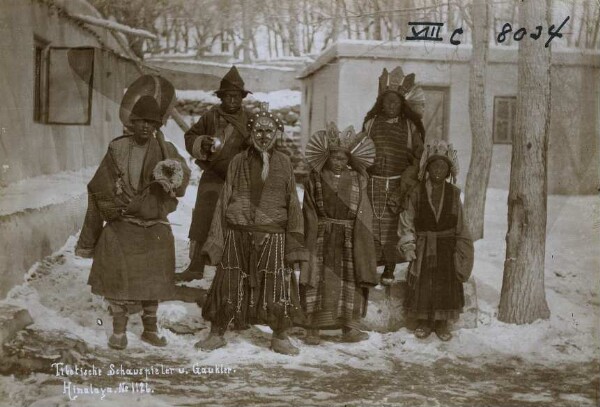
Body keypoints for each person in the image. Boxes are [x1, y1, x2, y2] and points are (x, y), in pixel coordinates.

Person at [75, 95, 191, 350]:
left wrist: (171, 177)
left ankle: (150, 329)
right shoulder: (118, 148)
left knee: (154, 279)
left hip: (154, 225)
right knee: (118, 278)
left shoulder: (165, 149)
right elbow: (98, 186)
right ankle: (119, 331)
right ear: (132, 122)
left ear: (156, 126)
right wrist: (115, 208)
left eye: (151, 123)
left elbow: (182, 180)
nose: (145, 127)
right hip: (124, 221)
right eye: (140, 122)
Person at [195, 103, 307, 355]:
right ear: (251, 133)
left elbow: (293, 202)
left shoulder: (284, 162)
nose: (263, 136)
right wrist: (217, 237)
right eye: (258, 130)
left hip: (273, 233)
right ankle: (216, 333)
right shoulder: (237, 161)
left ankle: (280, 335)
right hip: (238, 230)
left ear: (277, 135)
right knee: (228, 280)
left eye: (269, 131)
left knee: (277, 283)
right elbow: (225, 198)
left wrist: (294, 242)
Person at [300, 123, 378, 345]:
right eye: (335, 157)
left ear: (349, 160)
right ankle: (313, 328)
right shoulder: (315, 178)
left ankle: (350, 327)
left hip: (348, 238)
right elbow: (309, 210)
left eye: (343, 158)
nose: (339, 162)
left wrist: (361, 238)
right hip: (322, 235)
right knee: (317, 278)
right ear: (327, 157)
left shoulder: (357, 180)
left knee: (349, 280)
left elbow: (364, 211)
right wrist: (310, 237)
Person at [397, 140, 474, 341]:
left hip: (447, 247)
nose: (438, 170)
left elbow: (461, 224)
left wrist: (462, 251)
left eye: (443, 166)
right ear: (427, 168)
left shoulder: (454, 193)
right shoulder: (416, 191)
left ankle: (441, 323)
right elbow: (407, 218)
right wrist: (408, 244)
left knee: (445, 284)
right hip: (423, 247)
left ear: (449, 171)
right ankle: (423, 321)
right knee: (424, 284)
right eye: (434, 165)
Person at [180, 66, 251, 282]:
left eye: (236, 96)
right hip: (213, 176)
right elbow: (190, 136)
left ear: (242, 98)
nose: (232, 100)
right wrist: (203, 143)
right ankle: (196, 266)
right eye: (228, 96)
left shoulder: (250, 120)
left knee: (234, 221)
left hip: (239, 180)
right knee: (203, 218)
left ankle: (231, 267)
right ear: (221, 97)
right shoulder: (211, 117)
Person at [362, 67, 426, 285]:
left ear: (402, 104)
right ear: (381, 103)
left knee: (391, 226)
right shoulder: (370, 124)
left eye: (396, 102)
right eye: (387, 102)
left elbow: (418, 159)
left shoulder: (409, 127)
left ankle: (389, 268)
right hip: (372, 183)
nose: (391, 106)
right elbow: (361, 149)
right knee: (371, 223)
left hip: (399, 183)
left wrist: (405, 184)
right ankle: (371, 265)